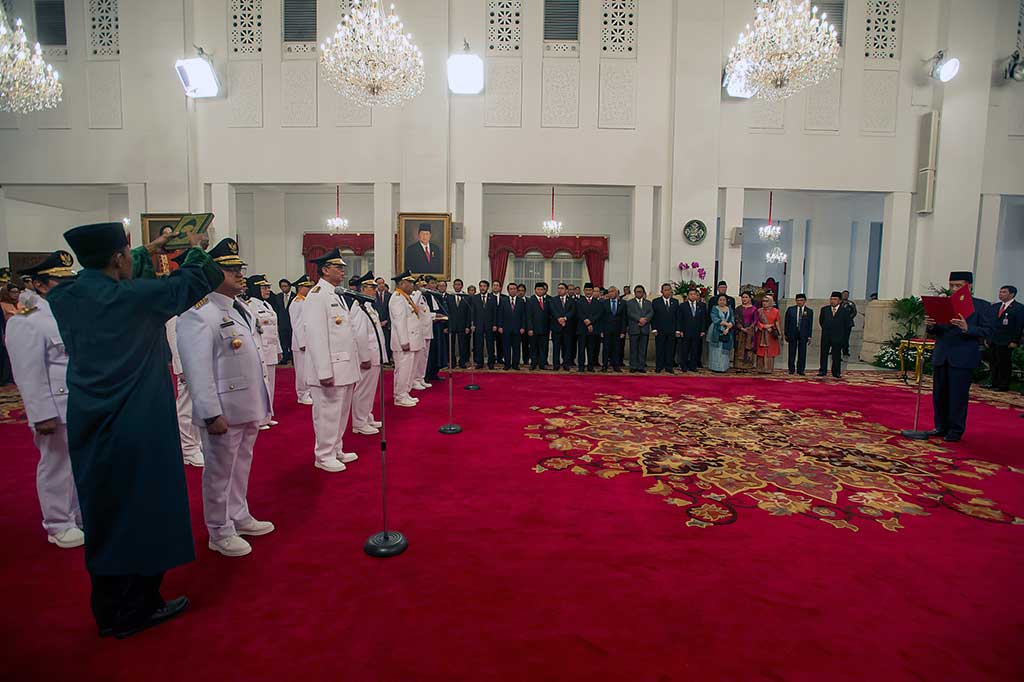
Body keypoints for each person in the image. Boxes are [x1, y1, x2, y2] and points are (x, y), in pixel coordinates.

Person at [49, 222, 220, 639]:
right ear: (117, 258)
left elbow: (116, 279)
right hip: (138, 421)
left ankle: (108, 608)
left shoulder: (63, 297)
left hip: (90, 420)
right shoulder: (136, 300)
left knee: (104, 511)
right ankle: (138, 605)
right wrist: (195, 247)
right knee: (146, 511)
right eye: (127, 254)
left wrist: (145, 250)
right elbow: (201, 277)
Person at [178, 239, 274, 557]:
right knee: (219, 471)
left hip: (245, 405)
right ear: (210, 274)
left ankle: (238, 514)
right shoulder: (198, 315)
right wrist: (208, 413)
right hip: (222, 409)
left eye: (239, 268)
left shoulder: (239, 309)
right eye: (230, 269)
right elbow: (197, 370)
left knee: (240, 465)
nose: (239, 274)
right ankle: (218, 530)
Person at [5, 250, 83, 549]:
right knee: (56, 464)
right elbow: (28, 374)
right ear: (38, 285)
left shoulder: (66, 314)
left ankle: (76, 514)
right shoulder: (27, 321)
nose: (66, 287)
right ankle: (57, 522)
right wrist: (41, 415)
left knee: (78, 464)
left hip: (79, 403)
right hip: (55, 407)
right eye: (57, 282)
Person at [303, 248, 371, 473]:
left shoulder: (336, 294)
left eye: (343, 267)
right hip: (330, 368)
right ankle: (323, 454)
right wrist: (324, 371)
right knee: (327, 413)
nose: (343, 270)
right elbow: (316, 336)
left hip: (344, 367)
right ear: (324, 270)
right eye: (338, 267)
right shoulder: (317, 295)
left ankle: (336, 448)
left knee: (341, 413)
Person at [924, 271, 994, 442]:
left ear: (969, 286)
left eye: (958, 285)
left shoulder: (982, 306)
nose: (954, 288)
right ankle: (940, 426)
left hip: (963, 357)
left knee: (957, 396)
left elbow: (988, 331)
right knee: (939, 395)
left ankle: (955, 430)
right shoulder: (945, 304)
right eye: (951, 285)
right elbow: (939, 330)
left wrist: (967, 328)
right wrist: (932, 326)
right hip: (942, 355)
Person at [350, 271, 386, 435]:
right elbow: (359, 335)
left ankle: (366, 416)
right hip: (367, 356)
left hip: (374, 354)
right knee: (363, 389)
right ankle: (359, 422)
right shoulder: (358, 308)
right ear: (363, 288)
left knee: (370, 389)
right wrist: (364, 358)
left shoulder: (368, 306)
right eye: (372, 287)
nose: (375, 289)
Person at [246, 275, 282, 430]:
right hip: (260, 351)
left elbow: (275, 331)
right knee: (260, 386)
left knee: (270, 385)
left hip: (271, 350)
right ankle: (258, 418)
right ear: (255, 289)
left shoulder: (267, 305)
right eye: (264, 287)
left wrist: (279, 349)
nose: (268, 289)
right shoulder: (250, 306)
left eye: (268, 286)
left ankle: (267, 416)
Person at [389, 271, 424, 407]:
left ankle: (405, 392)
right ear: (401, 284)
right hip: (404, 342)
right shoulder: (397, 298)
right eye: (410, 283)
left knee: (409, 369)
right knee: (403, 369)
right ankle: (399, 396)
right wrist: (404, 341)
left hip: (412, 341)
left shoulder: (405, 297)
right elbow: (399, 322)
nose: (412, 285)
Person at [989, 285, 1022, 392]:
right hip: (994, 339)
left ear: (1012, 294)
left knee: (1004, 363)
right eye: (1000, 291)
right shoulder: (995, 306)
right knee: (993, 362)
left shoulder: (1018, 308)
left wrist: (1014, 340)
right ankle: (993, 382)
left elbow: (1019, 326)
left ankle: (1003, 385)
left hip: (1006, 341)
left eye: (1004, 292)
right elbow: (991, 323)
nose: (1001, 294)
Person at [289, 274, 314, 405]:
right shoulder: (297, 302)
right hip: (300, 342)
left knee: (308, 368)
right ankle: (302, 394)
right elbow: (297, 324)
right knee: (301, 370)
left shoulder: (305, 300)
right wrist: (302, 342)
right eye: (307, 287)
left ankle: (308, 392)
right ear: (300, 287)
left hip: (308, 341)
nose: (309, 289)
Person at [818, 291, 850, 378]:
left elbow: (847, 325)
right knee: (824, 353)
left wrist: (844, 338)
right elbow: (821, 321)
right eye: (831, 299)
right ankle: (822, 370)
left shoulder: (844, 311)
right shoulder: (824, 310)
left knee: (836, 355)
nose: (832, 301)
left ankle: (836, 372)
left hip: (838, 336)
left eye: (835, 299)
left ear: (840, 301)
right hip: (826, 335)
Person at [575, 283, 605, 372]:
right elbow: (578, 313)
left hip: (593, 328)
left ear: (592, 291)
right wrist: (586, 321)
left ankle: (590, 366)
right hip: (582, 328)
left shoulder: (597, 302)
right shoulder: (579, 301)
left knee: (591, 349)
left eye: (590, 290)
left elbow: (599, 314)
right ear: (584, 291)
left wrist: (590, 321)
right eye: (586, 290)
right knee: (581, 349)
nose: (588, 292)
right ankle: (581, 366)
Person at [676, 289, 706, 372]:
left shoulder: (702, 305)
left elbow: (703, 319)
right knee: (685, 349)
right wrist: (679, 330)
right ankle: (684, 365)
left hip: (697, 331)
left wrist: (702, 330)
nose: (693, 296)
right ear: (688, 296)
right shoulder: (682, 306)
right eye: (691, 294)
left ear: (697, 296)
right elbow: (679, 319)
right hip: (685, 331)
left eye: (694, 294)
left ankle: (693, 366)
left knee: (695, 349)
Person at [497, 282, 525, 370]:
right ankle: (507, 364)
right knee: (506, 347)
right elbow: (500, 314)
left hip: (517, 328)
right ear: (508, 290)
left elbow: (524, 315)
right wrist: (500, 326)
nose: (512, 290)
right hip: (506, 328)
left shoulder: (521, 301)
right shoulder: (503, 300)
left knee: (516, 348)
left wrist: (523, 327)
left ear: (516, 290)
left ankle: (515, 364)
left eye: (514, 289)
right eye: (511, 289)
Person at [446, 278, 472, 369]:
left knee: (463, 345)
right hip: (452, 325)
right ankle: (452, 362)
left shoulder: (466, 297)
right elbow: (447, 312)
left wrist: (468, 326)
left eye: (459, 284)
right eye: (455, 284)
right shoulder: (449, 297)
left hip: (463, 325)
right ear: (453, 286)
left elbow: (469, 313)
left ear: (462, 286)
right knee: (451, 345)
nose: (457, 286)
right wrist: (446, 326)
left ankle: (462, 362)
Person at [652, 283, 678, 373]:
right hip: (659, 330)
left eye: (669, 289)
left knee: (670, 349)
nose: (667, 291)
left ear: (671, 291)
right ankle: (659, 366)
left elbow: (677, 317)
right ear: (661, 291)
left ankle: (669, 367)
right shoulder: (656, 301)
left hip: (671, 330)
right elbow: (653, 316)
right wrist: (654, 328)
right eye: (665, 290)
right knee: (660, 349)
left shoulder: (675, 302)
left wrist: (677, 330)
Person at [626, 285, 653, 372]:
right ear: (634, 293)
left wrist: (645, 319)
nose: (639, 293)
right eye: (637, 291)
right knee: (633, 349)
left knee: (643, 349)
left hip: (644, 329)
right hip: (634, 328)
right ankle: (633, 366)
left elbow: (651, 312)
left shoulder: (648, 303)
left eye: (640, 291)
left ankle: (641, 366)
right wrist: (639, 319)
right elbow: (630, 313)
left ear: (643, 292)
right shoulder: (629, 302)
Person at [784, 293, 813, 375]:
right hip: (792, 333)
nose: (799, 302)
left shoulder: (809, 311)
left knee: (802, 352)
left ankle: (801, 369)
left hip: (803, 334)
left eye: (801, 300)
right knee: (791, 351)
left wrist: (809, 336)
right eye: (798, 300)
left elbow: (810, 324)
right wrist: (786, 333)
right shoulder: (790, 309)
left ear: (805, 301)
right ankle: (791, 369)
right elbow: (787, 322)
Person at [470, 280, 496, 369]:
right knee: (478, 345)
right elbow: (473, 312)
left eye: (484, 286)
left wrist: (495, 324)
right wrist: (472, 324)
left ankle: (491, 362)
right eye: (481, 286)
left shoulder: (493, 297)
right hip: (478, 325)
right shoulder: (475, 298)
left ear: (487, 287)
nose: (482, 288)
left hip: (490, 325)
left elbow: (495, 312)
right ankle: (479, 362)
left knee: (490, 345)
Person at [549, 282, 575, 371]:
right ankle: (556, 365)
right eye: (558, 288)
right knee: (556, 347)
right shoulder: (553, 299)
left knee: (567, 347)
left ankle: (566, 364)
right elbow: (552, 310)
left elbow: (573, 311)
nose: (559, 290)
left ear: (566, 290)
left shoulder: (571, 300)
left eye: (562, 288)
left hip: (568, 328)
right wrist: (559, 319)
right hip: (556, 327)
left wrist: (565, 318)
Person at [526, 282, 551, 370]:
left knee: (543, 348)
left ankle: (542, 364)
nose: (540, 291)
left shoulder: (547, 300)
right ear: (535, 290)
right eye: (538, 289)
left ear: (544, 290)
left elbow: (549, 315)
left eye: (542, 289)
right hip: (533, 329)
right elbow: (528, 316)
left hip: (545, 329)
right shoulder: (530, 300)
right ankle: (533, 363)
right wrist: (529, 328)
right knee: (533, 347)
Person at [755, 294, 782, 374]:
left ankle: (769, 369)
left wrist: (779, 333)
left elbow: (777, 323)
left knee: (770, 351)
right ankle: (760, 368)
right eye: (763, 301)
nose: (764, 303)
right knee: (761, 351)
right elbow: (756, 322)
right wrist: (763, 326)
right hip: (761, 333)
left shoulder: (776, 311)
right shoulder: (759, 311)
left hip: (771, 334)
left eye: (766, 301)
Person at [602, 286, 627, 372]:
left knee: (616, 348)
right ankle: (604, 365)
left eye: (612, 291)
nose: (611, 293)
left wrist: (623, 331)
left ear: (616, 292)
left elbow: (624, 318)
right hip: (606, 329)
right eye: (609, 292)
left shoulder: (623, 303)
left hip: (618, 330)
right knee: (606, 348)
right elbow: (602, 318)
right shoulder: (604, 303)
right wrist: (601, 330)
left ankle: (616, 366)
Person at [708, 294, 734, 372]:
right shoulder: (714, 308)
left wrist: (728, 327)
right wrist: (725, 326)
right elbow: (715, 318)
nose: (722, 301)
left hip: (727, 331)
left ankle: (723, 367)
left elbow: (732, 319)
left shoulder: (729, 309)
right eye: (720, 300)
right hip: (716, 329)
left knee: (724, 350)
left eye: (724, 300)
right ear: (718, 301)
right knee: (716, 349)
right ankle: (715, 367)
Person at [272, 278, 294, 365]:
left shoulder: (295, 296)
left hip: (291, 323)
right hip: (281, 323)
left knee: (291, 341)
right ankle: (285, 358)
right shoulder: (278, 297)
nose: (283, 288)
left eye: (285, 286)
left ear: (289, 286)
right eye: (282, 286)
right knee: (283, 341)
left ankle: (292, 358)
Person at [734, 292, 758, 371]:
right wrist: (741, 328)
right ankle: (739, 366)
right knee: (739, 347)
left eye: (746, 297)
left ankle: (748, 366)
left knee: (748, 348)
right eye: (743, 297)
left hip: (750, 332)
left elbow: (755, 320)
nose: (744, 299)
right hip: (740, 331)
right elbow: (736, 319)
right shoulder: (738, 308)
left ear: (750, 298)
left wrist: (749, 328)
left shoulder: (754, 309)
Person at [374, 277, 393, 363]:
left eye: (382, 283)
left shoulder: (390, 295)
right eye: (379, 283)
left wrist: (387, 321)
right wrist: (378, 321)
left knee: (387, 341)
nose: (381, 285)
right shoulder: (373, 295)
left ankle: (387, 360)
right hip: (376, 323)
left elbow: (392, 310)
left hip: (386, 323)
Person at [490, 279, 506, 366]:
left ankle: (500, 358)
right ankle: (492, 359)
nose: (495, 287)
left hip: (501, 325)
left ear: (500, 288)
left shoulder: (505, 298)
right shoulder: (488, 297)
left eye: (497, 285)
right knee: (490, 343)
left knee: (501, 343)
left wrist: (500, 325)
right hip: (491, 325)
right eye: (494, 285)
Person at [840, 290, 857, 358]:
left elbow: (854, 312)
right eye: (844, 294)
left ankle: (845, 351)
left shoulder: (850, 304)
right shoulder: (839, 303)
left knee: (846, 338)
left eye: (847, 295)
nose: (845, 296)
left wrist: (848, 318)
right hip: (839, 323)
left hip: (847, 323)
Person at [517, 283, 531, 366]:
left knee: (526, 346)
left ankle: (526, 360)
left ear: (525, 292)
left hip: (527, 328)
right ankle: (516, 361)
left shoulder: (529, 301)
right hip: (517, 328)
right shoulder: (514, 301)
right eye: (519, 290)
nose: (520, 292)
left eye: (522, 291)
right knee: (516, 346)